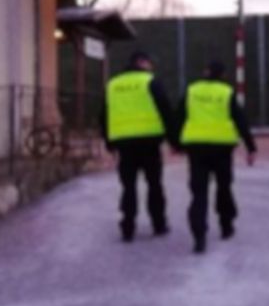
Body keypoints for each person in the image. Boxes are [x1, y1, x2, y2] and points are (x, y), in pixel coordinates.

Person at [177, 61, 256, 254]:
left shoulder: (191, 90)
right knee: (224, 186)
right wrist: (250, 147)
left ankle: (199, 235)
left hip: (196, 147)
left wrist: (175, 143)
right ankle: (226, 225)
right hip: (222, 148)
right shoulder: (226, 92)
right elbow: (240, 120)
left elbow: (178, 116)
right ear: (223, 74)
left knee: (199, 191)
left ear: (205, 72)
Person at [101, 50, 177, 242]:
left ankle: (127, 228)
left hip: (124, 144)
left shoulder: (113, 84)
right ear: (142, 62)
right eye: (150, 63)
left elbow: (103, 115)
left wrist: (109, 142)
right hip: (149, 142)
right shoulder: (150, 81)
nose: (151, 66)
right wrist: (174, 140)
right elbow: (165, 111)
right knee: (154, 185)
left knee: (128, 187)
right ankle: (158, 224)